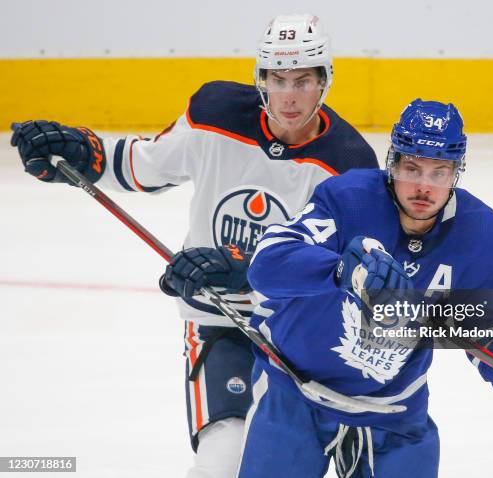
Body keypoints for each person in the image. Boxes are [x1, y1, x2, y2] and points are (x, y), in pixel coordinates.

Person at [10, 14, 378, 478]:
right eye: (277, 78)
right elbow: (143, 167)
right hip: (217, 322)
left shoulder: (349, 166)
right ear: (260, 78)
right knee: (221, 462)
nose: (289, 95)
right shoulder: (215, 113)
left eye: (303, 80)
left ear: (324, 80)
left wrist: (246, 267)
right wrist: (83, 153)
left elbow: (337, 275)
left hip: (299, 334)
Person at [242, 99, 493, 477]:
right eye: (412, 168)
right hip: (293, 391)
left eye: (439, 172)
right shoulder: (347, 199)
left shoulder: (480, 233)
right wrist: (341, 269)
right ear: (392, 163)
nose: (424, 186)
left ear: (457, 173)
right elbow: (268, 264)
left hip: (394, 411)